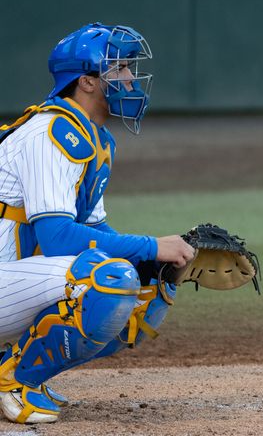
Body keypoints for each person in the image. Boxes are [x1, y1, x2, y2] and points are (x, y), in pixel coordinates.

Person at [0, 23, 194, 424]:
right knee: (108, 279)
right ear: (87, 82)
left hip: (11, 281)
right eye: (120, 68)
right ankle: (11, 380)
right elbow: (57, 238)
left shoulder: (93, 138)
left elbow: (95, 232)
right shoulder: (52, 133)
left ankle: (20, 368)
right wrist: (149, 245)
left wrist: (157, 260)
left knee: (146, 282)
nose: (130, 77)